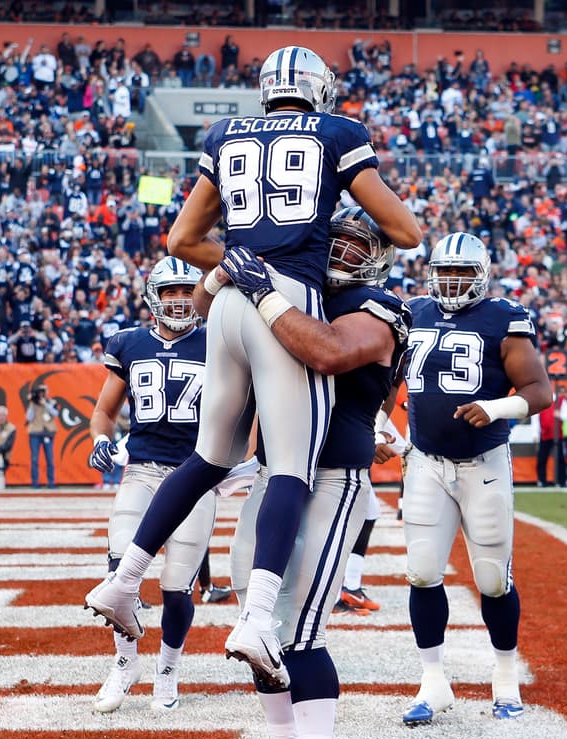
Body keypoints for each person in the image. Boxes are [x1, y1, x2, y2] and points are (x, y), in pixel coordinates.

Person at [86, 45, 421, 689]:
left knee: (209, 457)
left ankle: (123, 579)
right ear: (319, 89)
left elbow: (181, 241)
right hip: (284, 304)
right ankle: (259, 617)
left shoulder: (224, 134)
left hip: (228, 300)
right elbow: (404, 231)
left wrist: (238, 257)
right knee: (290, 463)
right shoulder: (339, 132)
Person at [225, 207, 410, 739]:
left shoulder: (381, 307)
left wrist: (261, 293)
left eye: (358, 243)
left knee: (299, 630)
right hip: (276, 474)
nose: (344, 251)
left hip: (332, 478)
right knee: (258, 631)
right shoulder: (297, 291)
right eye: (336, 239)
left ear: (378, 254)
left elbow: (329, 354)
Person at [389, 232, 552, 727]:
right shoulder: (411, 311)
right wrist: (379, 426)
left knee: (490, 579)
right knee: (421, 571)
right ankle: (433, 682)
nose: (453, 281)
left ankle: (504, 676)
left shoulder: (504, 316)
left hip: (483, 462)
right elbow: (387, 379)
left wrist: (495, 406)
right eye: (446, 272)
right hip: (425, 462)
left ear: (480, 274)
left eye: (462, 272)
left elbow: (540, 390)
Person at [86, 257, 218, 715]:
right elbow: (104, 410)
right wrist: (101, 439)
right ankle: (125, 663)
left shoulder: (214, 341)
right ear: (153, 297)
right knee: (118, 571)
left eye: (187, 291)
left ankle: (168, 668)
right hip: (141, 471)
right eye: (171, 292)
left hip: (195, 475)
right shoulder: (128, 344)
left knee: (177, 585)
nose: (180, 300)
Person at [26, 385, 58, 488]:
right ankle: (35, 483)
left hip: (48, 432)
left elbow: (55, 414)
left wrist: (45, 404)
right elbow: (29, 418)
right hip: (35, 433)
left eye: (43, 391)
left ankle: (51, 482)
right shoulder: (33, 403)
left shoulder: (51, 402)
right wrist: (32, 403)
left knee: (50, 459)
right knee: (34, 459)